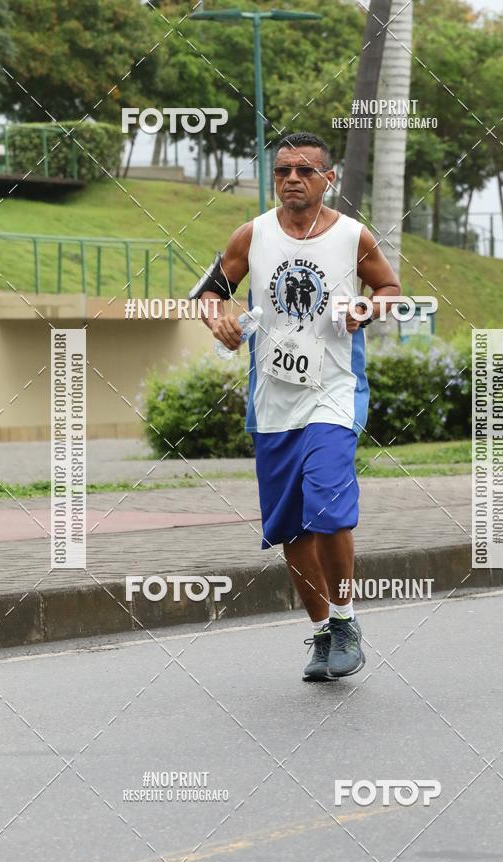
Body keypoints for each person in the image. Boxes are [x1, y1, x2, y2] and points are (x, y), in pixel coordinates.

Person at [196, 131, 400, 681]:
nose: (292, 178)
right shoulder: (252, 234)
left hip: (333, 392)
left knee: (328, 505)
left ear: (326, 179)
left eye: (305, 170)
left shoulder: (353, 237)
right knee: (290, 529)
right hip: (273, 402)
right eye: (283, 169)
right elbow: (211, 291)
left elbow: (389, 290)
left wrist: (366, 306)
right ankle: (322, 634)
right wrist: (217, 317)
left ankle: (346, 619)